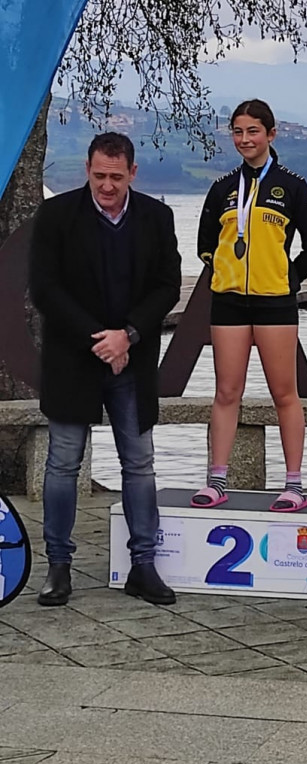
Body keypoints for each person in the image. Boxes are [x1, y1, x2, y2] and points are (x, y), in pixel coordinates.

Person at [29, 132, 181, 606]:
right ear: (87, 170)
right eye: (100, 176)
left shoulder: (157, 217)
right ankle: (58, 567)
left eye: (117, 177)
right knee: (63, 463)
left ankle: (144, 566)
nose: (108, 186)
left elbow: (167, 287)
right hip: (74, 358)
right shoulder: (56, 216)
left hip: (132, 361)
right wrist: (101, 339)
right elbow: (45, 289)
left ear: (133, 173)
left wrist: (128, 336)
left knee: (138, 464)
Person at [191, 100, 307, 512]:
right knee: (226, 392)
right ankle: (216, 480)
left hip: (275, 305)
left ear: (271, 133)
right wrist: (224, 275)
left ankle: (295, 485)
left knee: (285, 393)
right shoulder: (222, 188)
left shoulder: (293, 186)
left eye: (253, 131)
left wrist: (285, 280)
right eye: (237, 131)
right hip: (229, 303)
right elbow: (204, 246)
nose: (245, 139)